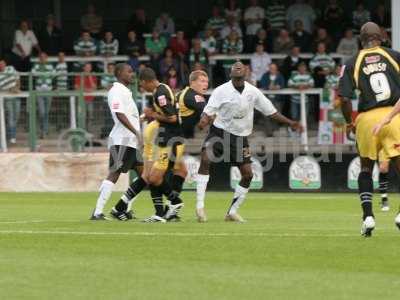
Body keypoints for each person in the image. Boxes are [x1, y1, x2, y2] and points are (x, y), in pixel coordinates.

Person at [195, 62, 302, 222]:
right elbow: (208, 112)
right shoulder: (220, 91)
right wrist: (203, 121)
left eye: (241, 67)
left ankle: (232, 212)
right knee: (205, 159)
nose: (238, 67)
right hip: (219, 133)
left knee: (248, 175)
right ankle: (200, 207)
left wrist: (290, 122)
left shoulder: (253, 92)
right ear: (230, 74)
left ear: (246, 74)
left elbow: (271, 112)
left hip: (240, 138)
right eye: (235, 67)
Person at [340, 22, 400, 236]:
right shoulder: (394, 55)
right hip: (394, 116)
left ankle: (368, 217)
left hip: (366, 120)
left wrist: (349, 122)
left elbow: (345, 98)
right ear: (381, 37)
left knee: (366, 168)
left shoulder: (351, 62)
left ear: (361, 40)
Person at [112, 67, 187, 222]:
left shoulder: (160, 93)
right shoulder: (161, 90)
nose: (142, 88)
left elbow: (172, 117)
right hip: (166, 139)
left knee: (152, 177)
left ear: (147, 81)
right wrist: (146, 116)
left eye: (142, 84)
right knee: (153, 176)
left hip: (169, 140)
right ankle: (162, 211)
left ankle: (173, 204)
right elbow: (163, 114)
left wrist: (152, 115)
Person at [90, 63, 142, 220]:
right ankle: (97, 212)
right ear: (119, 73)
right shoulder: (116, 91)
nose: (132, 74)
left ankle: (122, 209)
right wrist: (136, 132)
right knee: (115, 173)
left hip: (131, 141)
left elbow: (129, 116)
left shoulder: (126, 92)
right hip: (121, 140)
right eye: (129, 71)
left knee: (145, 176)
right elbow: (119, 114)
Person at [178, 70, 209, 139]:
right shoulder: (194, 97)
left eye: (207, 82)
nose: (206, 84)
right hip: (186, 140)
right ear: (193, 82)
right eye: (202, 81)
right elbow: (209, 114)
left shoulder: (182, 93)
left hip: (178, 136)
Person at [32, 52, 55, 138]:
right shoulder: (35, 65)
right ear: (39, 58)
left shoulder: (51, 66)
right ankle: (42, 129)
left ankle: (44, 131)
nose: (42, 58)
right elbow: (33, 74)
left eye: (44, 57)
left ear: (46, 58)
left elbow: (53, 75)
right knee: (42, 112)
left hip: (49, 90)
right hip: (39, 90)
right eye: (41, 57)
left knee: (47, 112)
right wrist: (45, 75)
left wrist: (41, 75)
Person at [0, 58, 21, 144]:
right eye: (0, 65)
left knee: (16, 116)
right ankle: (12, 136)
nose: (1, 65)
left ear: (5, 64)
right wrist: (10, 89)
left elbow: (18, 77)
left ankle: (10, 134)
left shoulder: (11, 68)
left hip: (16, 95)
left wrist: (17, 87)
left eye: (2, 64)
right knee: (11, 117)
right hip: (8, 97)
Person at [74, 62, 97, 129]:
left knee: (90, 115)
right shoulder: (79, 75)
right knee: (81, 115)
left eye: (89, 67)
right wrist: (86, 89)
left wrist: (89, 77)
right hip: (81, 99)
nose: (88, 69)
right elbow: (76, 87)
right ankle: (82, 129)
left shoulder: (93, 76)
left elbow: (94, 87)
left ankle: (89, 129)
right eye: (87, 67)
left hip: (90, 99)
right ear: (83, 68)